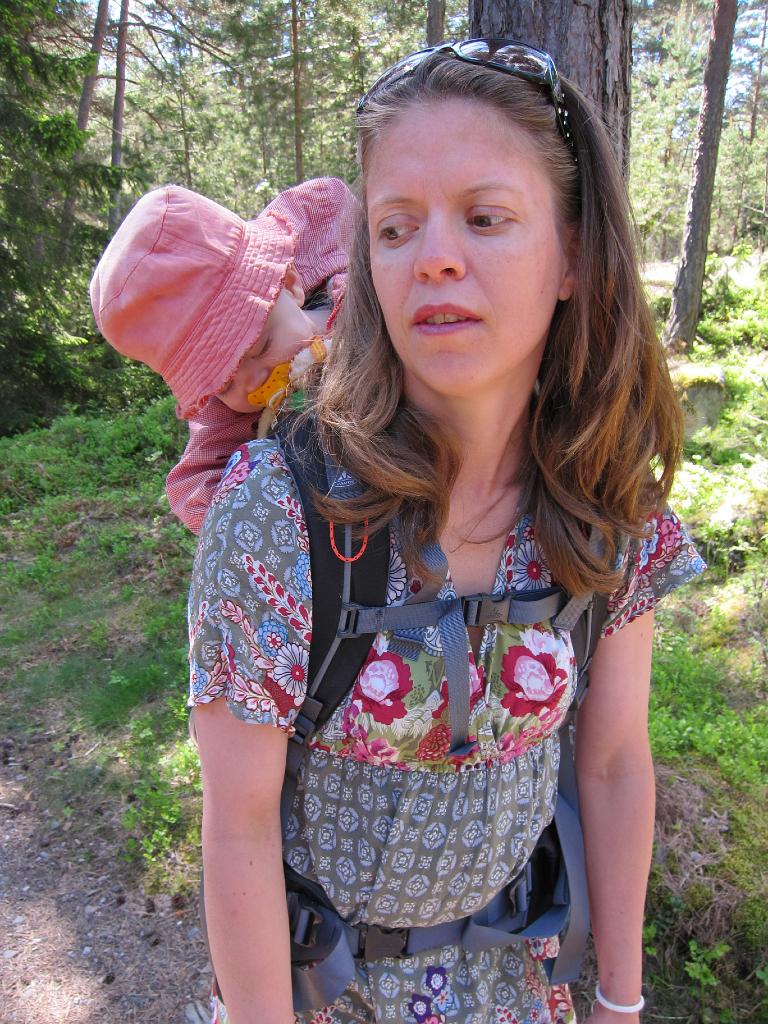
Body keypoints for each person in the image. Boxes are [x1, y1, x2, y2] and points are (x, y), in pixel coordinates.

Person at [187, 39, 705, 1024]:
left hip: (517, 993)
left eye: (485, 217)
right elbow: (238, 824)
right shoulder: (280, 513)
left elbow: (612, 762)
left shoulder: (607, 505)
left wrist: (619, 999)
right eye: (395, 227)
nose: (434, 257)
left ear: (573, 255)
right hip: (317, 997)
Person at [90, 178, 353, 531]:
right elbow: (193, 487)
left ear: (291, 285)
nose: (254, 381)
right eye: (224, 383)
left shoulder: (360, 300)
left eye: (261, 346)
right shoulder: (225, 416)